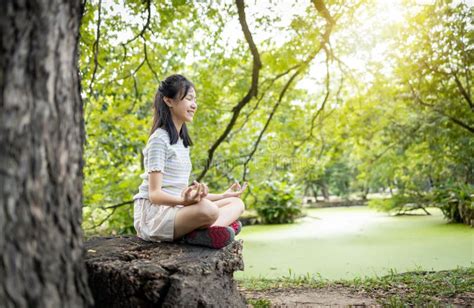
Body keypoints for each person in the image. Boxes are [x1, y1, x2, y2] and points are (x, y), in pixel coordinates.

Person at [133, 74, 248, 249]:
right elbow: (154, 195)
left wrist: (224, 195)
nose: (194, 105)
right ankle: (204, 231)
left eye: (195, 99)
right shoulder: (159, 140)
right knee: (208, 210)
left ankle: (203, 232)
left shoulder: (181, 143)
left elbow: (182, 194)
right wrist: (186, 202)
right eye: (189, 99)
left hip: (176, 210)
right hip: (155, 216)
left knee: (237, 203)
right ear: (169, 101)